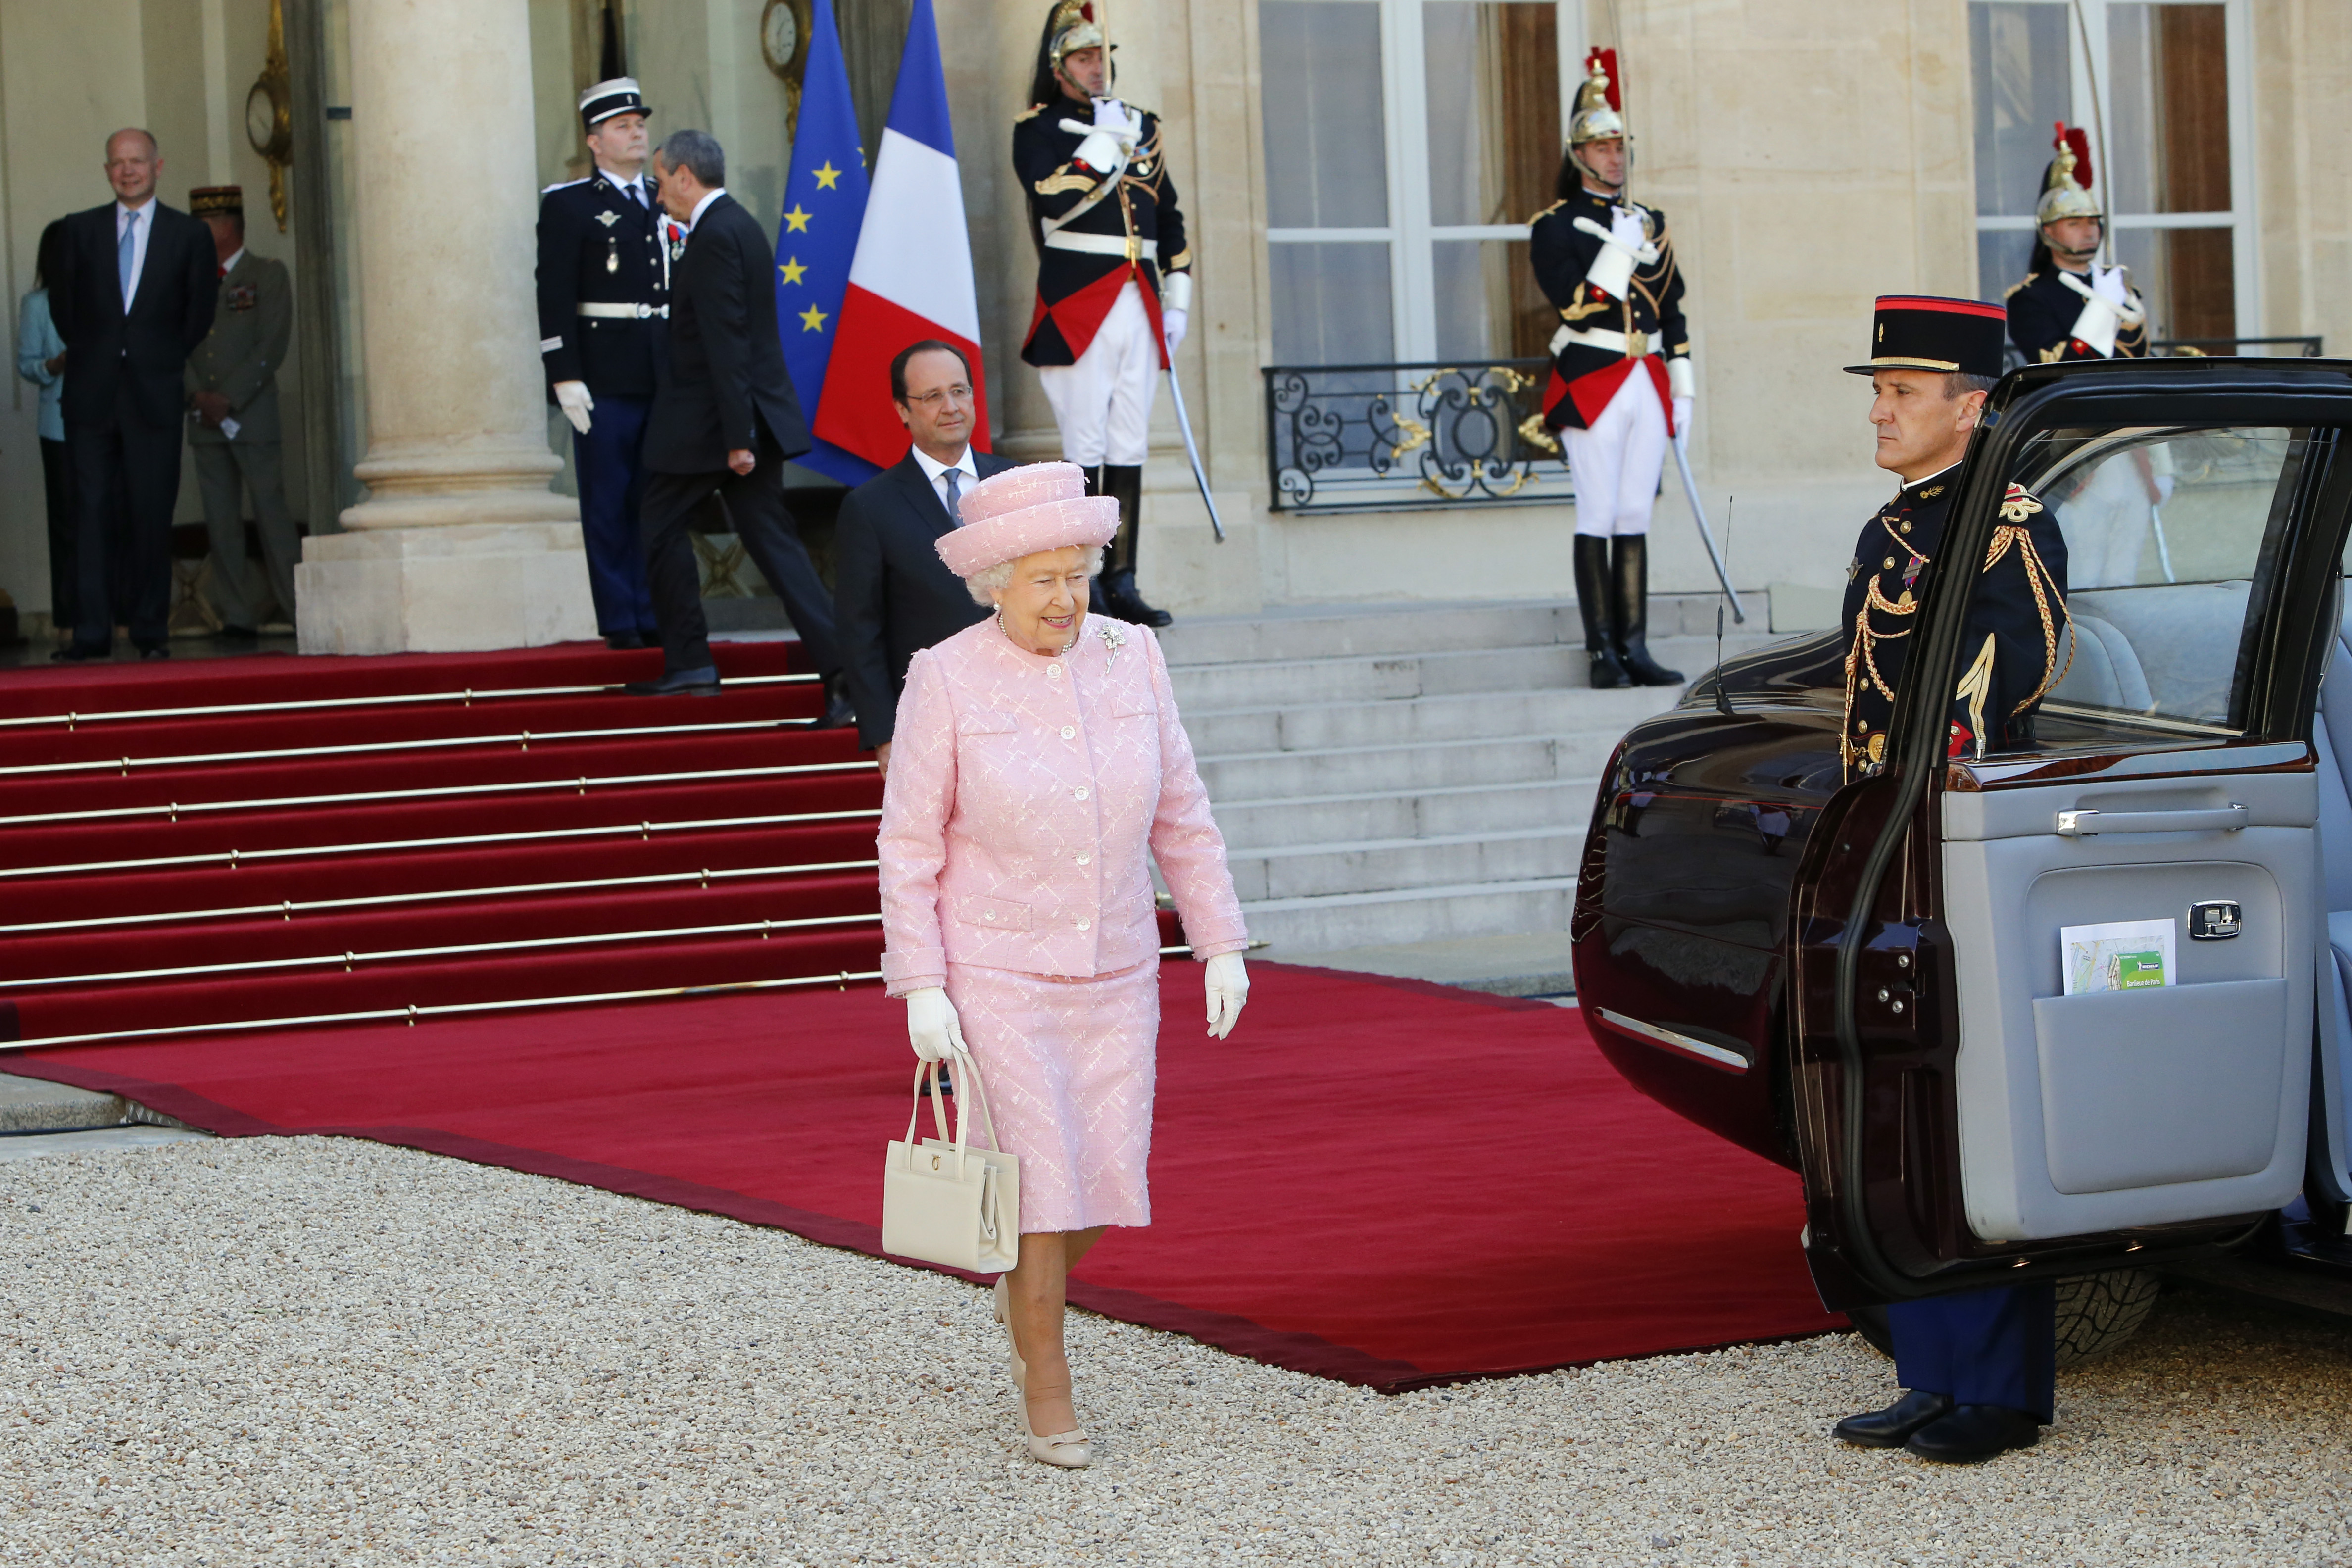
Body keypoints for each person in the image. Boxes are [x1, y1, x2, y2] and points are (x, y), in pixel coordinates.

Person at [877, 460, 1250, 1469]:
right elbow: (908, 846)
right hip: (997, 970)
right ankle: (1048, 1383)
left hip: (1119, 965)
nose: (1065, 599)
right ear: (994, 583)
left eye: (1076, 574)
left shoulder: (1135, 658)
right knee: (1044, 1187)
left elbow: (1182, 810)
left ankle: (1021, 1289)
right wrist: (920, 987)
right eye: (1041, 578)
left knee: (1102, 1185)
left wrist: (1218, 941)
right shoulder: (946, 676)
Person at [1831, 294, 2069, 1464]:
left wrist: (1916, 813)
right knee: (1906, 1108)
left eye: (1903, 393)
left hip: (1956, 844)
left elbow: (2000, 682)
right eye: (1877, 391)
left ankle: (1995, 1389)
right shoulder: (1900, 521)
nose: (1879, 409)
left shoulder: (2004, 524)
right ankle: (1931, 1369)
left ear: (1969, 409)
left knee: (1970, 1107)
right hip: (1894, 845)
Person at [634, 128, 852, 722]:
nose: (659, 197)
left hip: (720, 429)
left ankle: (689, 663)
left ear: (684, 176)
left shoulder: (715, 236)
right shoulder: (736, 226)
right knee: (773, 544)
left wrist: (738, 441)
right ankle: (846, 675)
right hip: (739, 422)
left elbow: (727, 345)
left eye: (661, 182)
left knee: (657, 523)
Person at [1012, 0, 1190, 629]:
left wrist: (1180, 294)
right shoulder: (1036, 130)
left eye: (1101, 58)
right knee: (1084, 442)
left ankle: (1125, 577)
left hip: (1139, 297)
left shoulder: (1143, 124)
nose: (1096, 69)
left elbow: (1167, 215)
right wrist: (1101, 146)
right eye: (1083, 59)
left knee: (1130, 441)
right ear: (1059, 67)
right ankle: (1084, 578)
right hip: (1078, 298)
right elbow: (1048, 194)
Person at [1529, 49, 1694, 690]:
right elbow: (1574, 300)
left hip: (1645, 374)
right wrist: (1622, 247)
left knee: (1634, 515)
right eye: (1601, 147)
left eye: (1620, 146)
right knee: (1596, 511)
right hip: (1591, 373)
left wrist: (1684, 384)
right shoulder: (1557, 225)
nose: (1614, 157)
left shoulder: (1650, 221)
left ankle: (1635, 647)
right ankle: (1600, 651)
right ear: (1578, 155)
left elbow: (1672, 304)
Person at [50, 128, 219, 661]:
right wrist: (102, 352)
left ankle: (150, 631)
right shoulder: (77, 232)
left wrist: (155, 355)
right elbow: (65, 309)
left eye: (137, 161)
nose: (128, 170)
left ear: (158, 166)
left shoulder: (189, 235)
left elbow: (198, 315)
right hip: (91, 395)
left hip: (154, 393)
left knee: (151, 513)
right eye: (118, 162)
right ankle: (91, 633)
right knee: (90, 514)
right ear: (107, 171)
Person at [833, 340, 1016, 778]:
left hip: (1027, 706)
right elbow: (860, 631)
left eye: (959, 391)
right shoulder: (870, 508)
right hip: (933, 721)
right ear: (902, 410)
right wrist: (883, 734)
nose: (951, 406)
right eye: (932, 396)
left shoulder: (1018, 484)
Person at [2004, 122, 2170, 587]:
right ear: (2050, 231)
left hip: (2127, 439)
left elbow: (2135, 358)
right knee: (2084, 571)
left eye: (2093, 222)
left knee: (2127, 570)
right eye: (2075, 223)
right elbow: (2063, 365)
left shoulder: (2118, 285)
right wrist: (2103, 305)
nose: (2088, 231)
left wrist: (2118, 304)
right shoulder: (2030, 298)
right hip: (2077, 443)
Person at [538, 77, 667, 651]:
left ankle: (659, 610)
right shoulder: (568, 205)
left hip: (663, 376)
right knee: (609, 501)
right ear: (595, 142)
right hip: (604, 377)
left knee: (655, 501)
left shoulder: (668, 199)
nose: (636, 132)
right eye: (622, 126)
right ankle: (622, 618)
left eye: (640, 123)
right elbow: (554, 294)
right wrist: (564, 374)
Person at [184, 186, 298, 637]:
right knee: (222, 522)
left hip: (250, 416)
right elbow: (174, 346)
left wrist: (227, 397)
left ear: (227, 227)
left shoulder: (266, 275)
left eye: (203, 228)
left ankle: (296, 609)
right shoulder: (187, 281)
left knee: (272, 516)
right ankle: (237, 615)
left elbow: (271, 346)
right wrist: (197, 395)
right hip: (203, 421)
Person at [14, 220, 72, 643]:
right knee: (66, 525)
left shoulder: (101, 296)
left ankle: (114, 617)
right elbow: (26, 363)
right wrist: (52, 366)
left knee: (109, 522)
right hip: (58, 426)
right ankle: (69, 620)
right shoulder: (37, 304)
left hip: (106, 425)